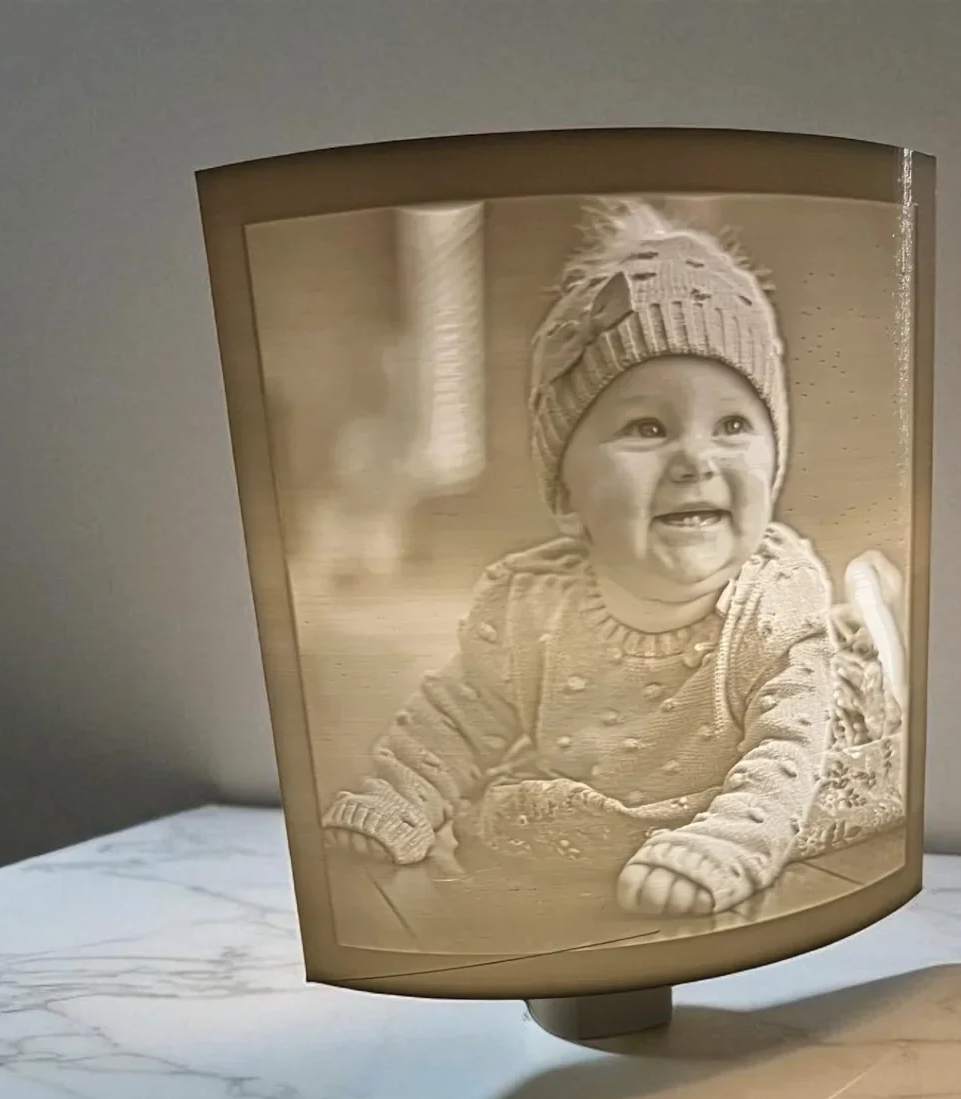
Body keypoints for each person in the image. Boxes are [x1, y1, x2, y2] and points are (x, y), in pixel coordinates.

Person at [322, 199, 904, 917]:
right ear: (567, 496)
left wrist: (726, 842)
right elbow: (455, 715)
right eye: (648, 427)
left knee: (851, 697)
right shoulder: (533, 606)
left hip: (801, 759)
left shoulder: (773, 606)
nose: (696, 458)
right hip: (622, 785)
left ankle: (874, 622)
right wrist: (399, 797)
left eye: (732, 424)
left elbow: (784, 757)